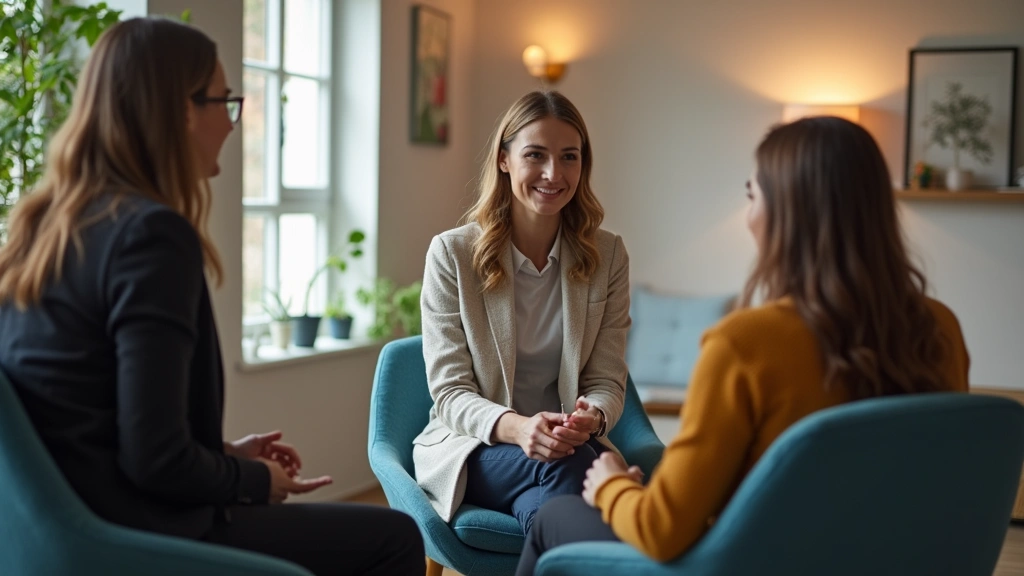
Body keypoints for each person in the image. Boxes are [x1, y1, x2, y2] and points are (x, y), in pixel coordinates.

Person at [0, 18, 423, 576]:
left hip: (52, 530)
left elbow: (99, 421)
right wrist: (252, 480)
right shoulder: (150, 236)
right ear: (180, 110)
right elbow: (154, 461)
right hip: (132, 533)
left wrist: (221, 454)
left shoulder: (44, 226)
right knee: (394, 536)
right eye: (225, 101)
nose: (231, 124)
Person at [515, 116, 971, 575]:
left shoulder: (745, 345)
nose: (749, 214)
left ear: (786, 211)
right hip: (893, 560)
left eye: (752, 195)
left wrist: (611, 486)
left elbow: (662, 530)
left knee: (556, 516)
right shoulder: (940, 329)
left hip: (761, 562)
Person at [414, 90, 636, 536]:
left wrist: (589, 416)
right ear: (504, 159)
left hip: (566, 451)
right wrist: (518, 429)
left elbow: (607, 380)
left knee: (551, 514)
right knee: (578, 473)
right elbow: (451, 392)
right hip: (477, 447)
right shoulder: (452, 254)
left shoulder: (607, 254)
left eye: (569, 157)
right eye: (535, 155)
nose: (554, 174)